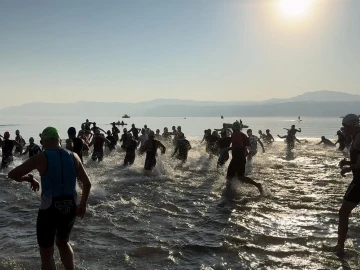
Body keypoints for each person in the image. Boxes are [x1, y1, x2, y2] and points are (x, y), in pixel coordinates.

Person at [7, 126, 91, 270]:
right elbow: (87, 183)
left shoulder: (41, 157)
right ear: (59, 140)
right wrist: (82, 205)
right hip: (70, 205)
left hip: (50, 208)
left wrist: (30, 179)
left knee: (46, 252)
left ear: (45, 140)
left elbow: (12, 174)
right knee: (63, 242)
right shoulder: (74, 156)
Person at [334, 114, 360, 256]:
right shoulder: (356, 136)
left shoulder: (359, 138)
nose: (344, 129)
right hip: (357, 179)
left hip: (359, 182)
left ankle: (340, 247)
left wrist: (349, 166)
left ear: (352, 125)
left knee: (343, 212)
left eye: (345, 126)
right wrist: (348, 165)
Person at [223, 122, 263, 195]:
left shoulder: (236, 135)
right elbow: (247, 145)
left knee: (229, 177)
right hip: (242, 158)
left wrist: (228, 148)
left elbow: (239, 145)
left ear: (234, 128)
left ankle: (227, 194)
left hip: (236, 158)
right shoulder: (243, 135)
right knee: (240, 177)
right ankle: (257, 185)